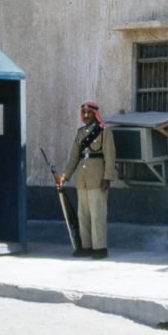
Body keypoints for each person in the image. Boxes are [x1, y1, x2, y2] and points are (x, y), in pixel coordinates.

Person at [58, 102, 117, 259]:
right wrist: (66, 176)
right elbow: (74, 157)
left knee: (97, 214)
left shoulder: (104, 132)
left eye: (89, 113)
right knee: (83, 214)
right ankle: (86, 246)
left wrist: (107, 177)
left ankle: (100, 248)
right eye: (83, 113)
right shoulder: (80, 133)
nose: (85, 116)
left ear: (95, 114)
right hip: (82, 180)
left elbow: (110, 157)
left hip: (98, 178)